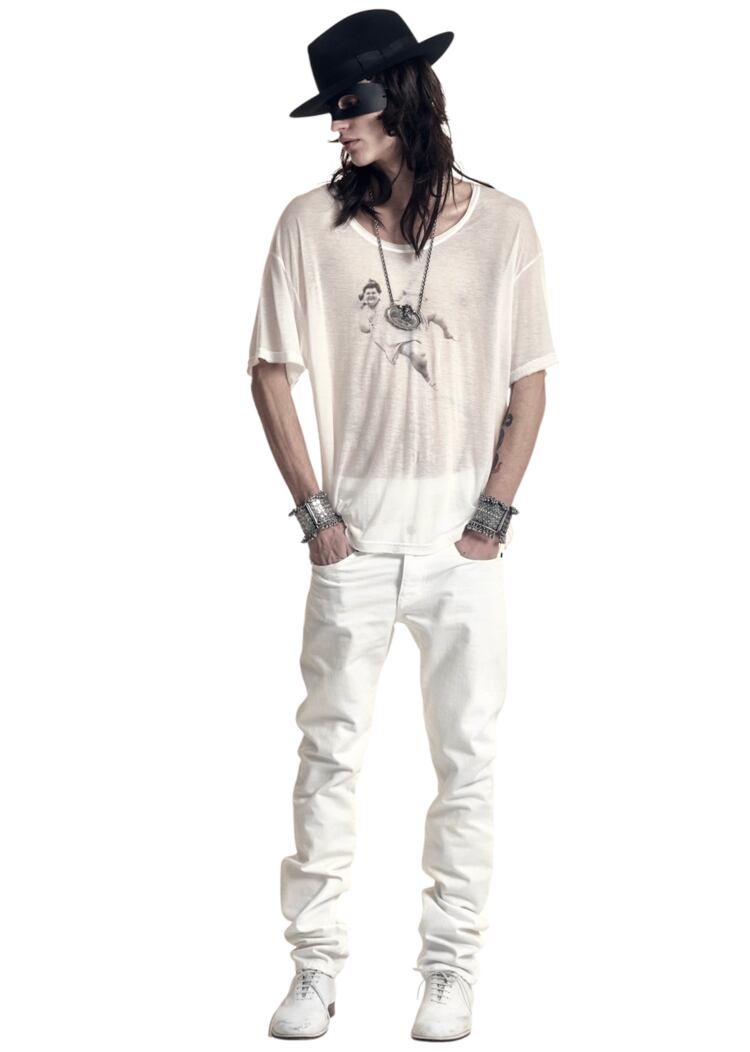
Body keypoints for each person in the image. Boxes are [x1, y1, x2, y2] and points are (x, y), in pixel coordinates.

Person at [247, 10, 560, 1041]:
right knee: (328, 758)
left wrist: (492, 515)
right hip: (353, 546)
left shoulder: (504, 225)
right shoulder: (309, 226)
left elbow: (529, 381)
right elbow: (270, 371)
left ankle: (450, 967)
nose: (339, 126)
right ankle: (314, 967)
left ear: (408, 97)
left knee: (467, 762)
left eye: (353, 104)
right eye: (332, 109)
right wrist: (316, 514)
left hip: (462, 552)